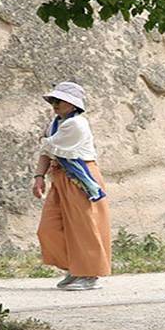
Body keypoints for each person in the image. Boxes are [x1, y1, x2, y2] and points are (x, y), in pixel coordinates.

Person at [33, 81, 111, 291]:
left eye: (59, 101)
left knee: (83, 226)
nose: (55, 104)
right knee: (48, 228)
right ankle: (76, 266)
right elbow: (46, 152)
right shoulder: (56, 123)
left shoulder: (76, 124)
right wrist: (39, 176)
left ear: (73, 104)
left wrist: (43, 141)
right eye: (53, 100)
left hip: (79, 177)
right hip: (60, 177)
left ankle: (89, 273)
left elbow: (49, 145)